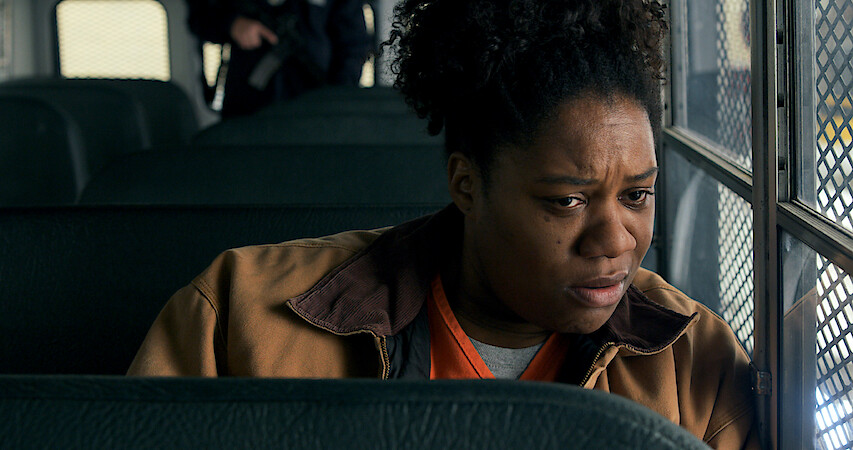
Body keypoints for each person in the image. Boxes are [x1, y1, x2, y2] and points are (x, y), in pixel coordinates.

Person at [130, 0, 759, 447]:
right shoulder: (238, 317)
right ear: (467, 184)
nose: (617, 240)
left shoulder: (693, 361)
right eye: (567, 201)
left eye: (638, 196)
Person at [185, 0, 371, 117]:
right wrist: (232, 23)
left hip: (316, 102)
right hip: (248, 102)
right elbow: (200, 15)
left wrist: (338, 98)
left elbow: (355, 44)